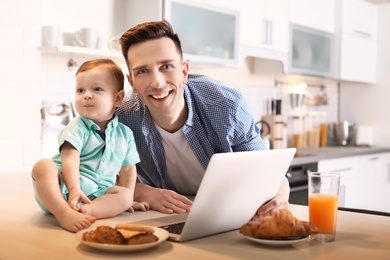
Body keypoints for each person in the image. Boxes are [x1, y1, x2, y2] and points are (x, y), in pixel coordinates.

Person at [117, 20, 290, 221]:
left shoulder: (227, 106)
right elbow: (95, 178)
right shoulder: (123, 117)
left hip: (229, 216)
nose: (157, 82)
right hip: (165, 218)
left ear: (184, 72)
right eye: (142, 71)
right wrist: (141, 192)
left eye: (166, 66)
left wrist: (279, 195)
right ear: (132, 83)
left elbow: (267, 170)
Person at [32, 59, 148, 233]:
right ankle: (63, 212)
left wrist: (129, 199)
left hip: (98, 194)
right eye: (80, 90)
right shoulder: (77, 126)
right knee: (43, 166)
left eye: (97, 89)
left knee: (124, 195)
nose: (86, 95)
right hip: (61, 189)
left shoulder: (125, 134)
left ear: (117, 98)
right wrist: (73, 189)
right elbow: (70, 160)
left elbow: (128, 171)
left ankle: (88, 210)